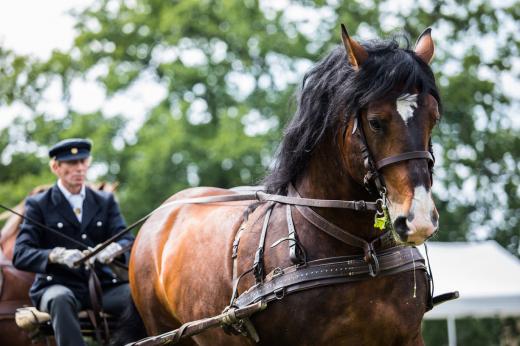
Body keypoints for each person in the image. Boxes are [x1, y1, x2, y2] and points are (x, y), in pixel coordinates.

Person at [13, 138, 134, 346]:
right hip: (58, 286)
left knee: (139, 294)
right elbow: (21, 253)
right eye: (71, 163)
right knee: (60, 299)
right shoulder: (39, 204)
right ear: (56, 167)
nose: (79, 169)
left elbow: (126, 240)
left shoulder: (105, 201)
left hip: (103, 287)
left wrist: (112, 250)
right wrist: (55, 255)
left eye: (83, 162)